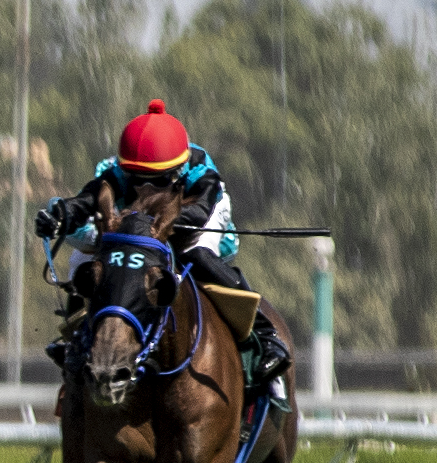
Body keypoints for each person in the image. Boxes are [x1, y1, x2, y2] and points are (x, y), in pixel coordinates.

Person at [36, 98, 291, 387]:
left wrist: (153, 225)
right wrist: (60, 215)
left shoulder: (200, 171)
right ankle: (76, 338)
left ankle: (267, 335)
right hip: (140, 225)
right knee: (89, 260)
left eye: (157, 181)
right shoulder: (115, 171)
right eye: (137, 179)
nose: (146, 188)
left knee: (198, 254)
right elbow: (86, 199)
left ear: (177, 171)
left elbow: (199, 212)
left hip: (191, 219)